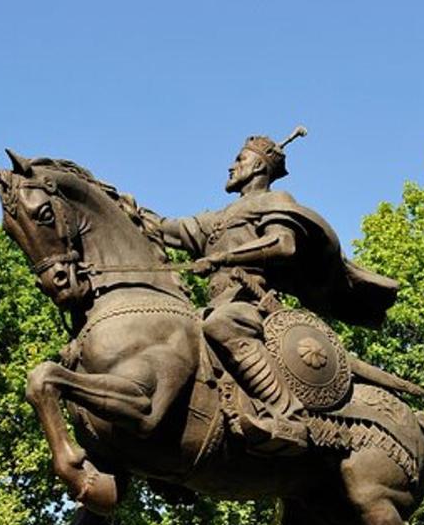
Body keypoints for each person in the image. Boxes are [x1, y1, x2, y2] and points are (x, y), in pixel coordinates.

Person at [156, 128, 400, 455]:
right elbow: (166, 228)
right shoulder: (215, 219)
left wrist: (224, 257)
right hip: (216, 303)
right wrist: (120, 205)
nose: (231, 166)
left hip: (249, 304)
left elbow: (283, 244)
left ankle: (288, 416)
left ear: (258, 167)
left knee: (222, 325)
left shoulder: (277, 201)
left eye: (239, 159)